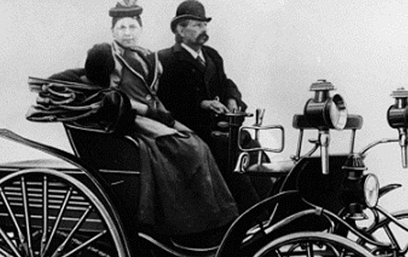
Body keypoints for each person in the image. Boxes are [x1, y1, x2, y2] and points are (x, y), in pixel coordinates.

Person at [84, 0, 238, 238]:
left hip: (154, 113)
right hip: (131, 117)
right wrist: (151, 112)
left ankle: (213, 218)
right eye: (122, 28)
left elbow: (154, 94)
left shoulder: (147, 55)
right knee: (190, 150)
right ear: (113, 31)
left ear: (140, 29)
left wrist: (166, 116)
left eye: (133, 27)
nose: (128, 33)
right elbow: (110, 96)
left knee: (195, 142)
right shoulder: (110, 56)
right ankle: (186, 220)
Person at [158, 0, 272, 212]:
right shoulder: (166, 60)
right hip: (193, 131)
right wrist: (202, 104)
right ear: (180, 30)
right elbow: (167, 101)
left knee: (252, 147)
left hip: (222, 128)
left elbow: (226, 84)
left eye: (205, 25)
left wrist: (232, 99)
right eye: (197, 25)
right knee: (231, 156)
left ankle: (272, 207)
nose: (204, 30)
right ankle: (251, 214)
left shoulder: (212, 55)